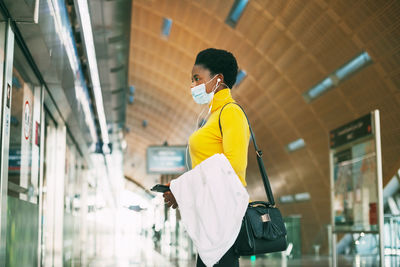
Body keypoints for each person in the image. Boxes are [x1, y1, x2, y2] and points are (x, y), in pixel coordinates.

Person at [163, 48, 250, 267]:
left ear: (218, 79)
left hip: (223, 218)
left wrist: (182, 187)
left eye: (197, 79)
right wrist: (181, 191)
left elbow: (233, 168)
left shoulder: (231, 113)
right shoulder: (213, 117)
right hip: (210, 219)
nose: (192, 86)